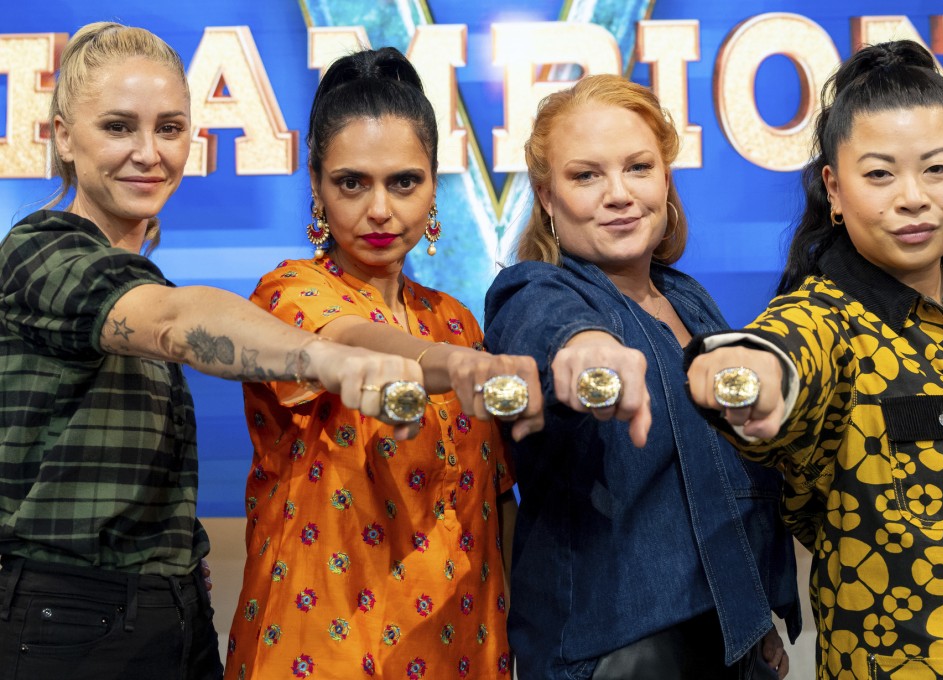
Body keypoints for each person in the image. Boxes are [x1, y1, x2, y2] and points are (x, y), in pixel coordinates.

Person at [0, 23, 427, 680]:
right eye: (118, 127)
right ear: (61, 136)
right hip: (65, 616)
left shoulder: (142, 276)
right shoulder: (38, 251)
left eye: (168, 128)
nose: (147, 152)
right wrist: (330, 359)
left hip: (169, 615)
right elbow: (174, 322)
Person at [686, 40, 943, 678]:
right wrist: (750, 379)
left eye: (937, 169)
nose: (913, 197)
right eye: (879, 174)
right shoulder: (827, 321)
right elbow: (784, 353)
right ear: (834, 191)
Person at [224, 47, 541, 679]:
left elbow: (495, 503)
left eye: (403, 182)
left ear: (432, 184)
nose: (379, 210)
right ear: (315, 184)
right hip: (319, 648)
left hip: (462, 646)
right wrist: (449, 363)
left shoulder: (457, 320)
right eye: (352, 183)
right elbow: (350, 338)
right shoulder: (286, 294)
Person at [483, 74, 800, 680]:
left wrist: (750, 613)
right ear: (547, 198)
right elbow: (552, 333)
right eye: (586, 175)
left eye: (638, 167)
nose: (619, 193)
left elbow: (723, 481)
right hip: (616, 654)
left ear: (665, 180)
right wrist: (588, 352)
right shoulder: (534, 289)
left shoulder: (690, 300)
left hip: (730, 640)